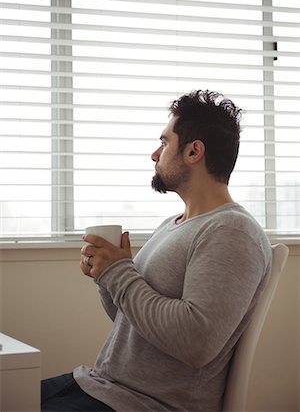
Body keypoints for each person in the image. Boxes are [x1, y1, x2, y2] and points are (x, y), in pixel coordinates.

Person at [41, 89, 272, 412]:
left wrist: (120, 274)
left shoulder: (231, 231)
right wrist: (106, 274)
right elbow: (134, 323)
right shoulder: (174, 224)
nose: (154, 154)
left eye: (164, 142)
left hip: (143, 404)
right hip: (102, 385)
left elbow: (195, 342)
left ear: (193, 152)